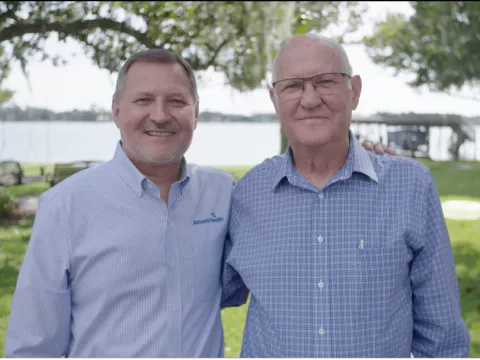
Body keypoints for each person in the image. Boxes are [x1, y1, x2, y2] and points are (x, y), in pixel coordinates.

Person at [4, 48, 392, 358]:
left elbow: (289, 244)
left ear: (196, 112)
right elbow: (32, 347)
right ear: (116, 110)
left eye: (176, 101)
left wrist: (357, 156)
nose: (160, 115)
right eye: (143, 99)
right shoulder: (65, 207)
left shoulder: (225, 193)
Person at [223, 34, 470, 358]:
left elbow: (442, 340)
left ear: (354, 90)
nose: (310, 100)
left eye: (325, 82)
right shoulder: (246, 194)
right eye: (293, 86)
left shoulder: (410, 187)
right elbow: (200, 293)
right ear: (274, 99)